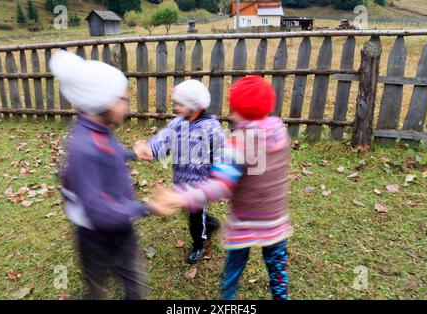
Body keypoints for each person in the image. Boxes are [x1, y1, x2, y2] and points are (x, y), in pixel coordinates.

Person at [50, 50, 175, 300]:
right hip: (96, 236)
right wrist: (147, 208)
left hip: (121, 227)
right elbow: (98, 209)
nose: (127, 106)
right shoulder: (82, 147)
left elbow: (109, 153)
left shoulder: (98, 127)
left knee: (133, 284)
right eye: (123, 100)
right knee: (97, 287)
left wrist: (132, 154)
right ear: (103, 101)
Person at [155, 76, 293, 300]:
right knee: (278, 272)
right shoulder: (279, 132)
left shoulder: (239, 143)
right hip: (276, 223)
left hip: (244, 223)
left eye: (233, 108)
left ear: (239, 110)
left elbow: (221, 186)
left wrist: (183, 196)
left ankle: (227, 300)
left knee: (232, 273)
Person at [134, 79, 225, 264]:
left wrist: (217, 179)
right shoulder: (178, 122)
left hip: (200, 185)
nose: (175, 107)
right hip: (181, 180)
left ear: (195, 107)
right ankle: (212, 224)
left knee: (195, 218)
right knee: (187, 208)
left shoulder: (211, 129)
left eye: (180, 104)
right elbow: (163, 139)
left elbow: (220, 156)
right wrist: (150, 149)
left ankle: (200, 243)